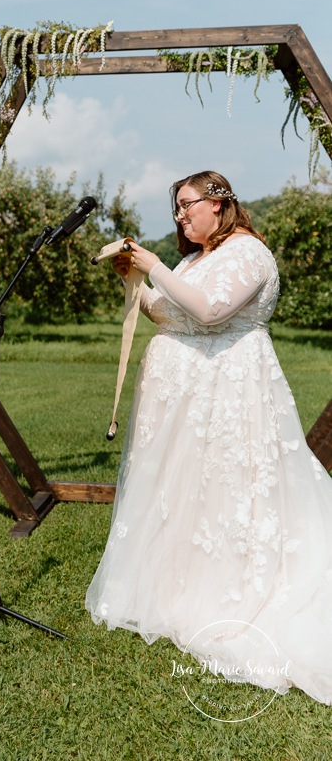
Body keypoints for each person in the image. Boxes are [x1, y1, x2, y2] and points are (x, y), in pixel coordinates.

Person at [86, 169, 332, 704]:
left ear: (219, 204)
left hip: (232, 391)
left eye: (187, 205)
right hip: (190, 400)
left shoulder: (247, 253)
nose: (180, 216)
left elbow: (212, 311)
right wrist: (137, 280)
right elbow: (171, 314)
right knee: (191, 494)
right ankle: (180, 586)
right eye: (176, 208)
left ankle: (237, 593)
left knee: (233, 489)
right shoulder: (195, 260)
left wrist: (155, 265)